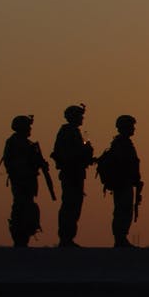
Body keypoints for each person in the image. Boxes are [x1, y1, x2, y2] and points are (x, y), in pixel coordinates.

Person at [51, 104, 94, 247]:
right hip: (71, 174)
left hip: (76, 173)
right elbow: (68, 155)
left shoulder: (72, 132)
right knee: (70, 205)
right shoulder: (68, 132)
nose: (82, 119)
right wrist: (85, 151)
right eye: (80, 116)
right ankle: (65, 238)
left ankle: (68, 238)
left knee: (74, 206)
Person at [1, 115, 48, 247]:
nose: (29, 129)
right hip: (21, 181)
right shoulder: (15, 142)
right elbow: (14, 164)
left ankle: (24, 236)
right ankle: (19, 237)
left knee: (27, 208)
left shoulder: (26, 143)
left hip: (28, 181)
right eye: (27, 126)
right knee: (20, 208)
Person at [104, 115, 143, 248]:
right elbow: (123, 163)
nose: (133, 129)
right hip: (122, 182)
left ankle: (121, 238)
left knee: (125, 209)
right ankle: (120, 238)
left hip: (126, 181)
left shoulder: (124, 142)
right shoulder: (120, 143)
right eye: (131, 126)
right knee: (122, 209)